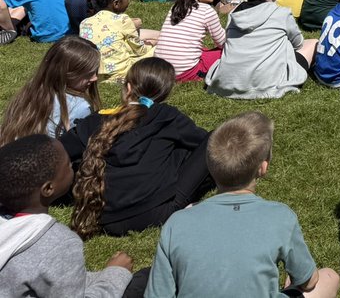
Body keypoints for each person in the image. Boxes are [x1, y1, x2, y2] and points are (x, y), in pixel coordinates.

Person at [145, 111, 340, 298]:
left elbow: (157, 294)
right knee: (329, 277)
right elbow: (309, 282)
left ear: (210, 166)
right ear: (263, 168)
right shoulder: (280, 217)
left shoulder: (177, 223)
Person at [63, 57, 212, 237]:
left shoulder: (95, 121)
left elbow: (58, 151)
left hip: (104, 216)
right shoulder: (167, 115)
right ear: (165, 93)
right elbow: (204, 142)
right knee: (211, 141)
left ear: (128, 88)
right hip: (157, 213)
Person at [0, 135, 138, 298]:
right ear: (48, 188)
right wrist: (115, 273)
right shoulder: (58, 243)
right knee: (140, 283)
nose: (72, 164)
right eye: (67, 164)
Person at [205, 0, 318, 100]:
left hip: (228, 83)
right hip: (268, 84)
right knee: (313, 43)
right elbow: (298, 44)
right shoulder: (281, 13)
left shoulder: (234, 14)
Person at [0, 36, 100, 143]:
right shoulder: (80, 106)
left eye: (95, 71)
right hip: (52, 157)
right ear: (66, 73)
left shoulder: (31, 91)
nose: (95, 78)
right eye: (88, 74)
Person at [155, 0, 228, 82]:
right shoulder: (206, 11)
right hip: (186, 72)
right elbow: (222, 42)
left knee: (203, 51)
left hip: (161, 69)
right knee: (227, 53)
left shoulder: (175, 8)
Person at [79, 0, 157, 83]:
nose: (129, 2)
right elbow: (140, 50)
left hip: (95, 74)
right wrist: (151, 45)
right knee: (160, 48)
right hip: (122, 72)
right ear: (116, 3)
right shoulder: (123, 19)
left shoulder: (85, 22)